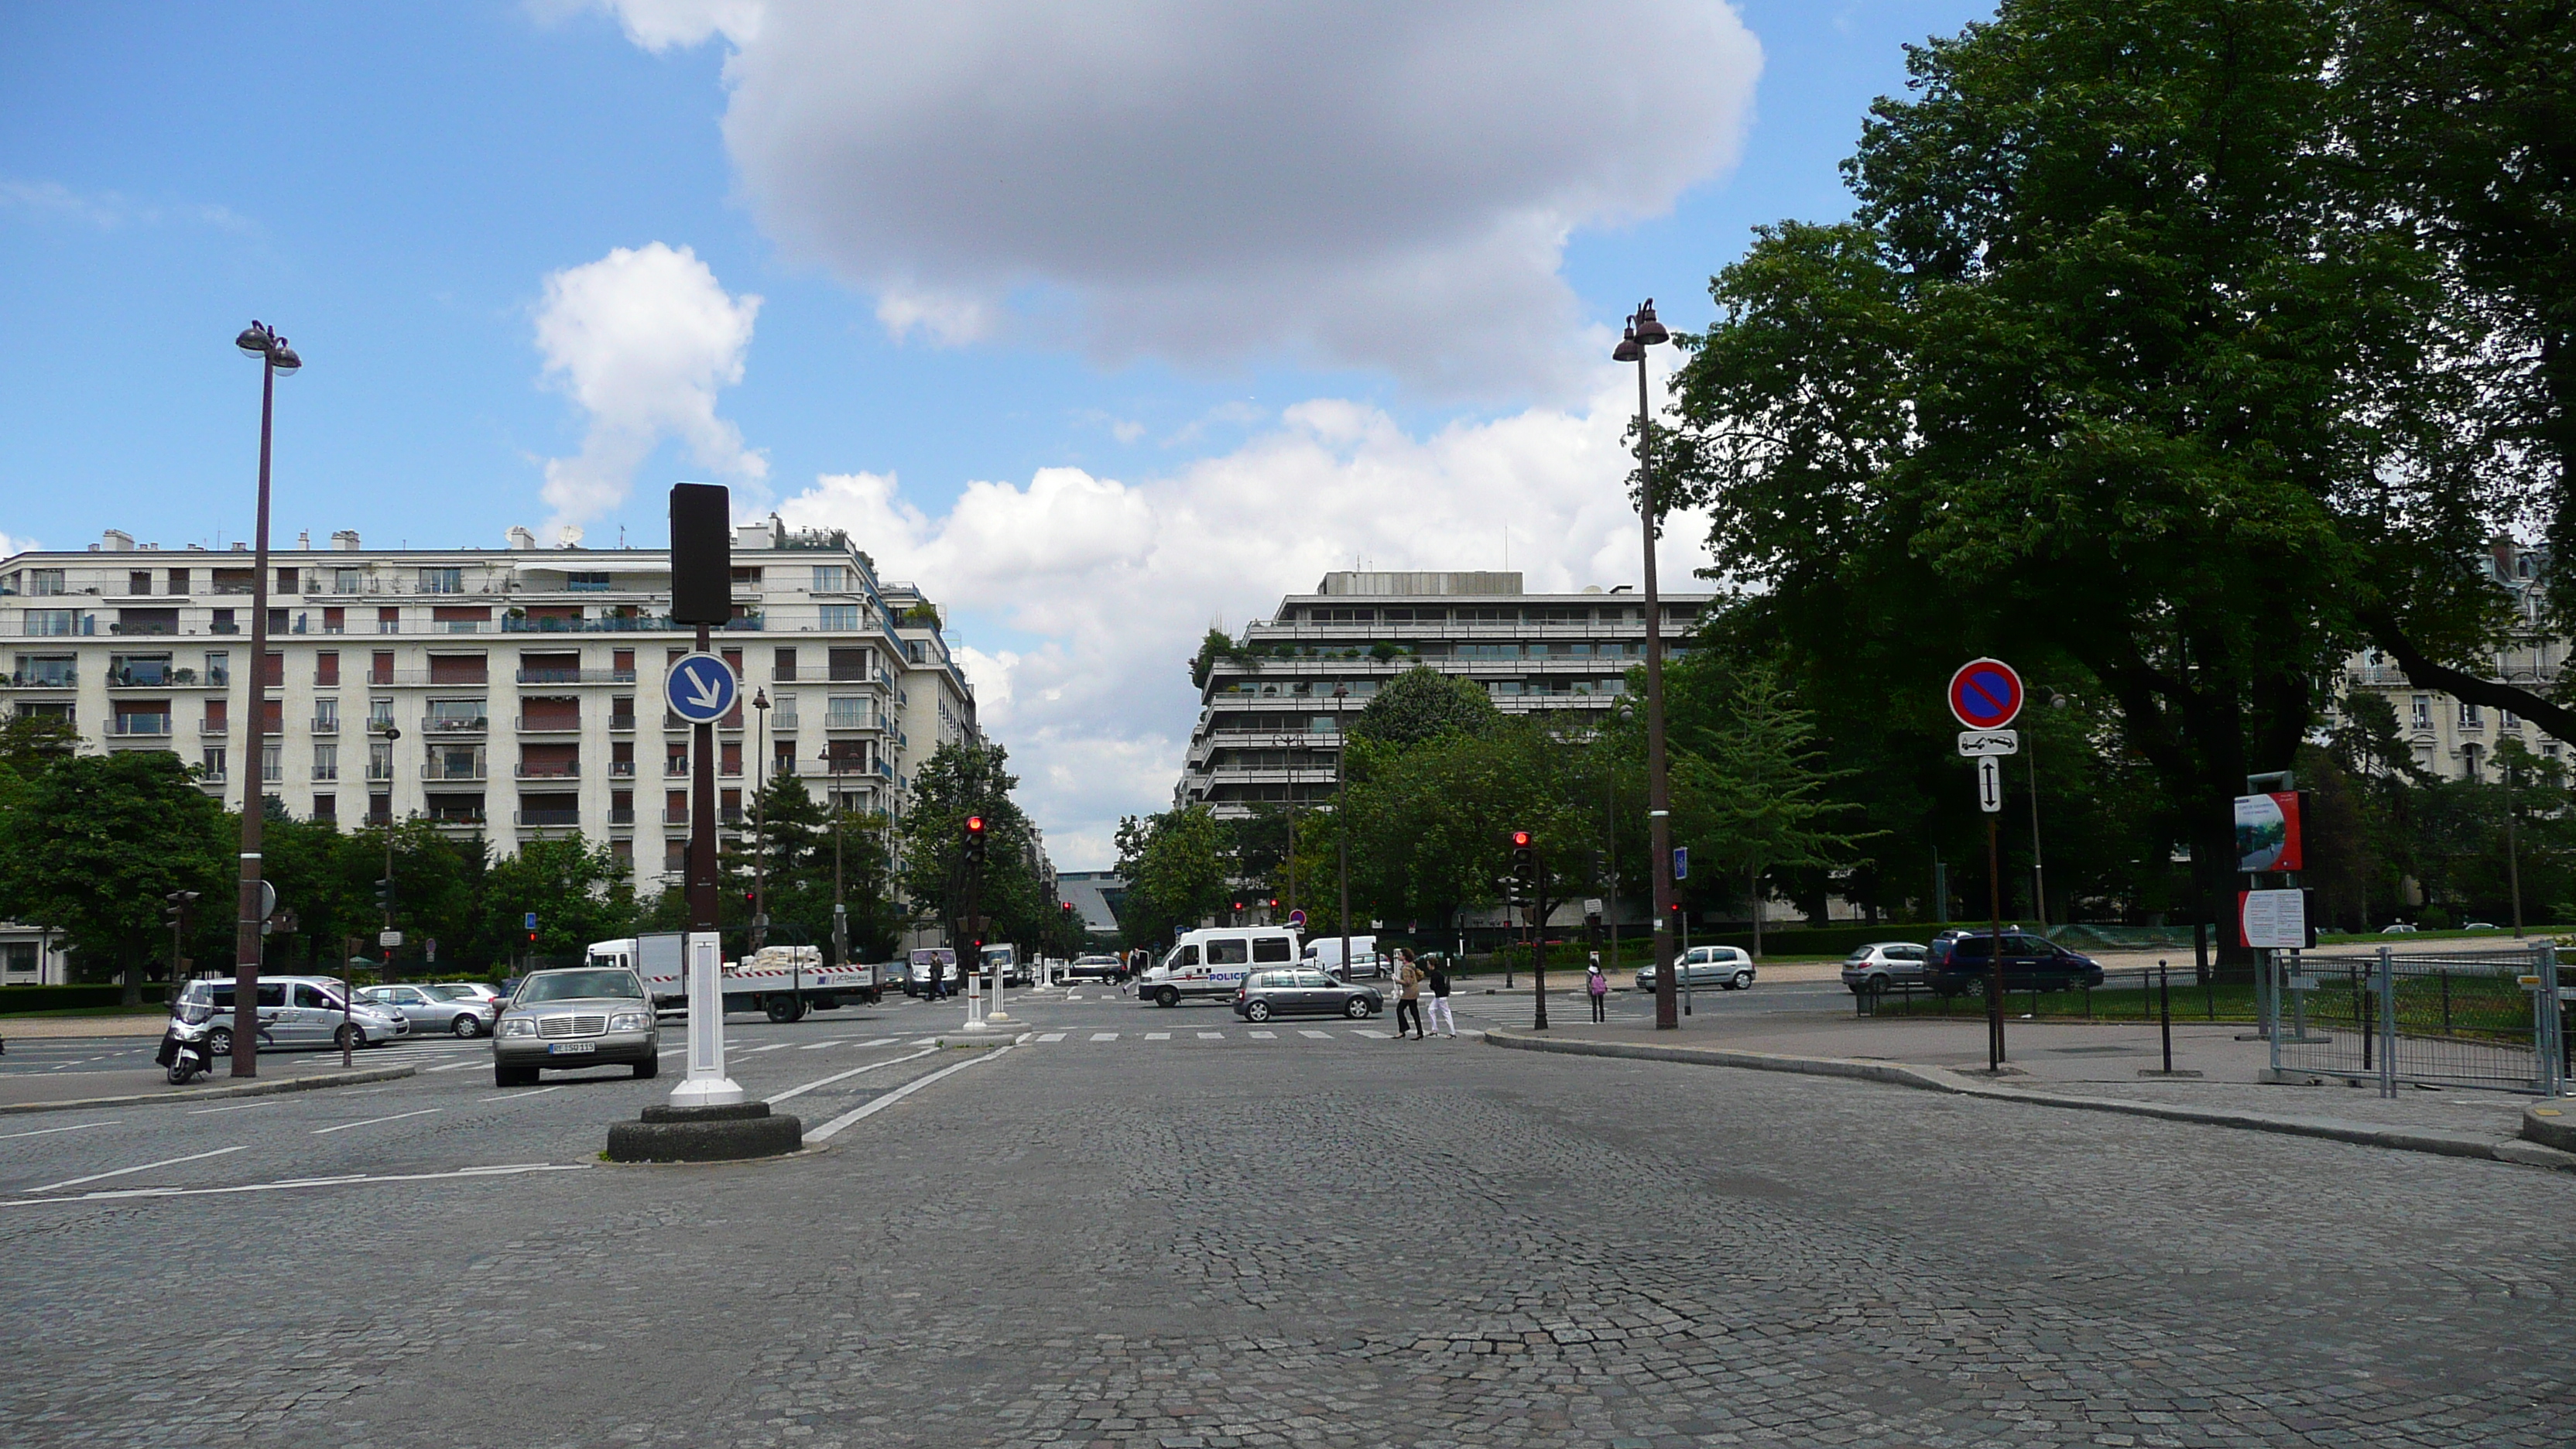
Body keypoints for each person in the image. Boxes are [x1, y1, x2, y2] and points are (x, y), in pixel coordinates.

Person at [1392, 950, 1426, 1040]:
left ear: (1404, 957)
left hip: (1409, 992)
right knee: (1414, 1012)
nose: (1398, 956)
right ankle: (1420, 1032)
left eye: (1400, 955)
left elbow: (1407, 982)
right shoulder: (1412, 966)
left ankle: (1403, 1030)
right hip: (1414, 990)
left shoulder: (1405, 968)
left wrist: (1397, 980)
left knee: (1400, 1009)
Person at [1423, 954, 1457, 1038]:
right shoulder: (1439, 973)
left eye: (1428, 964)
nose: (1428, 966)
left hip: (1440, 996)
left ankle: (1452, 1032)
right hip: (1440, 996)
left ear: (1432, 965)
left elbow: (1433, 986)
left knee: (1446, 1013)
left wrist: (1432, 986)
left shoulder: (1435, 974)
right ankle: (1434, 1029)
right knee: (1431, 1010)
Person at [1586, 955, 1608, 1023]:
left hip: (1593, 989)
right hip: (1600, 989)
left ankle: (1594, 1019)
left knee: (1594, 1005)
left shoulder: (1589, 972)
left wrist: (1588, 992)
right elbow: (1604, 979)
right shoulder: (1599, 970)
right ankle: (1602, 1018)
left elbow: (1587, 982)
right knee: (1601, 1004)